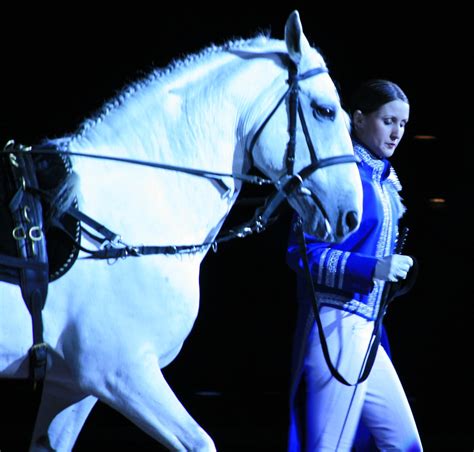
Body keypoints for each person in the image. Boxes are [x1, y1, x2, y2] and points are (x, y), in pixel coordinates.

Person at [286, 79, 423, 451]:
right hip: (335, 325)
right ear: (358, 120)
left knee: (405, 443)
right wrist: (373, 268)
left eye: (403, 124)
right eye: (388, 121)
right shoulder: (337, 177)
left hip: (366, 330)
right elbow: (301, 252)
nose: (397, 132)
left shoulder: (383, 181)